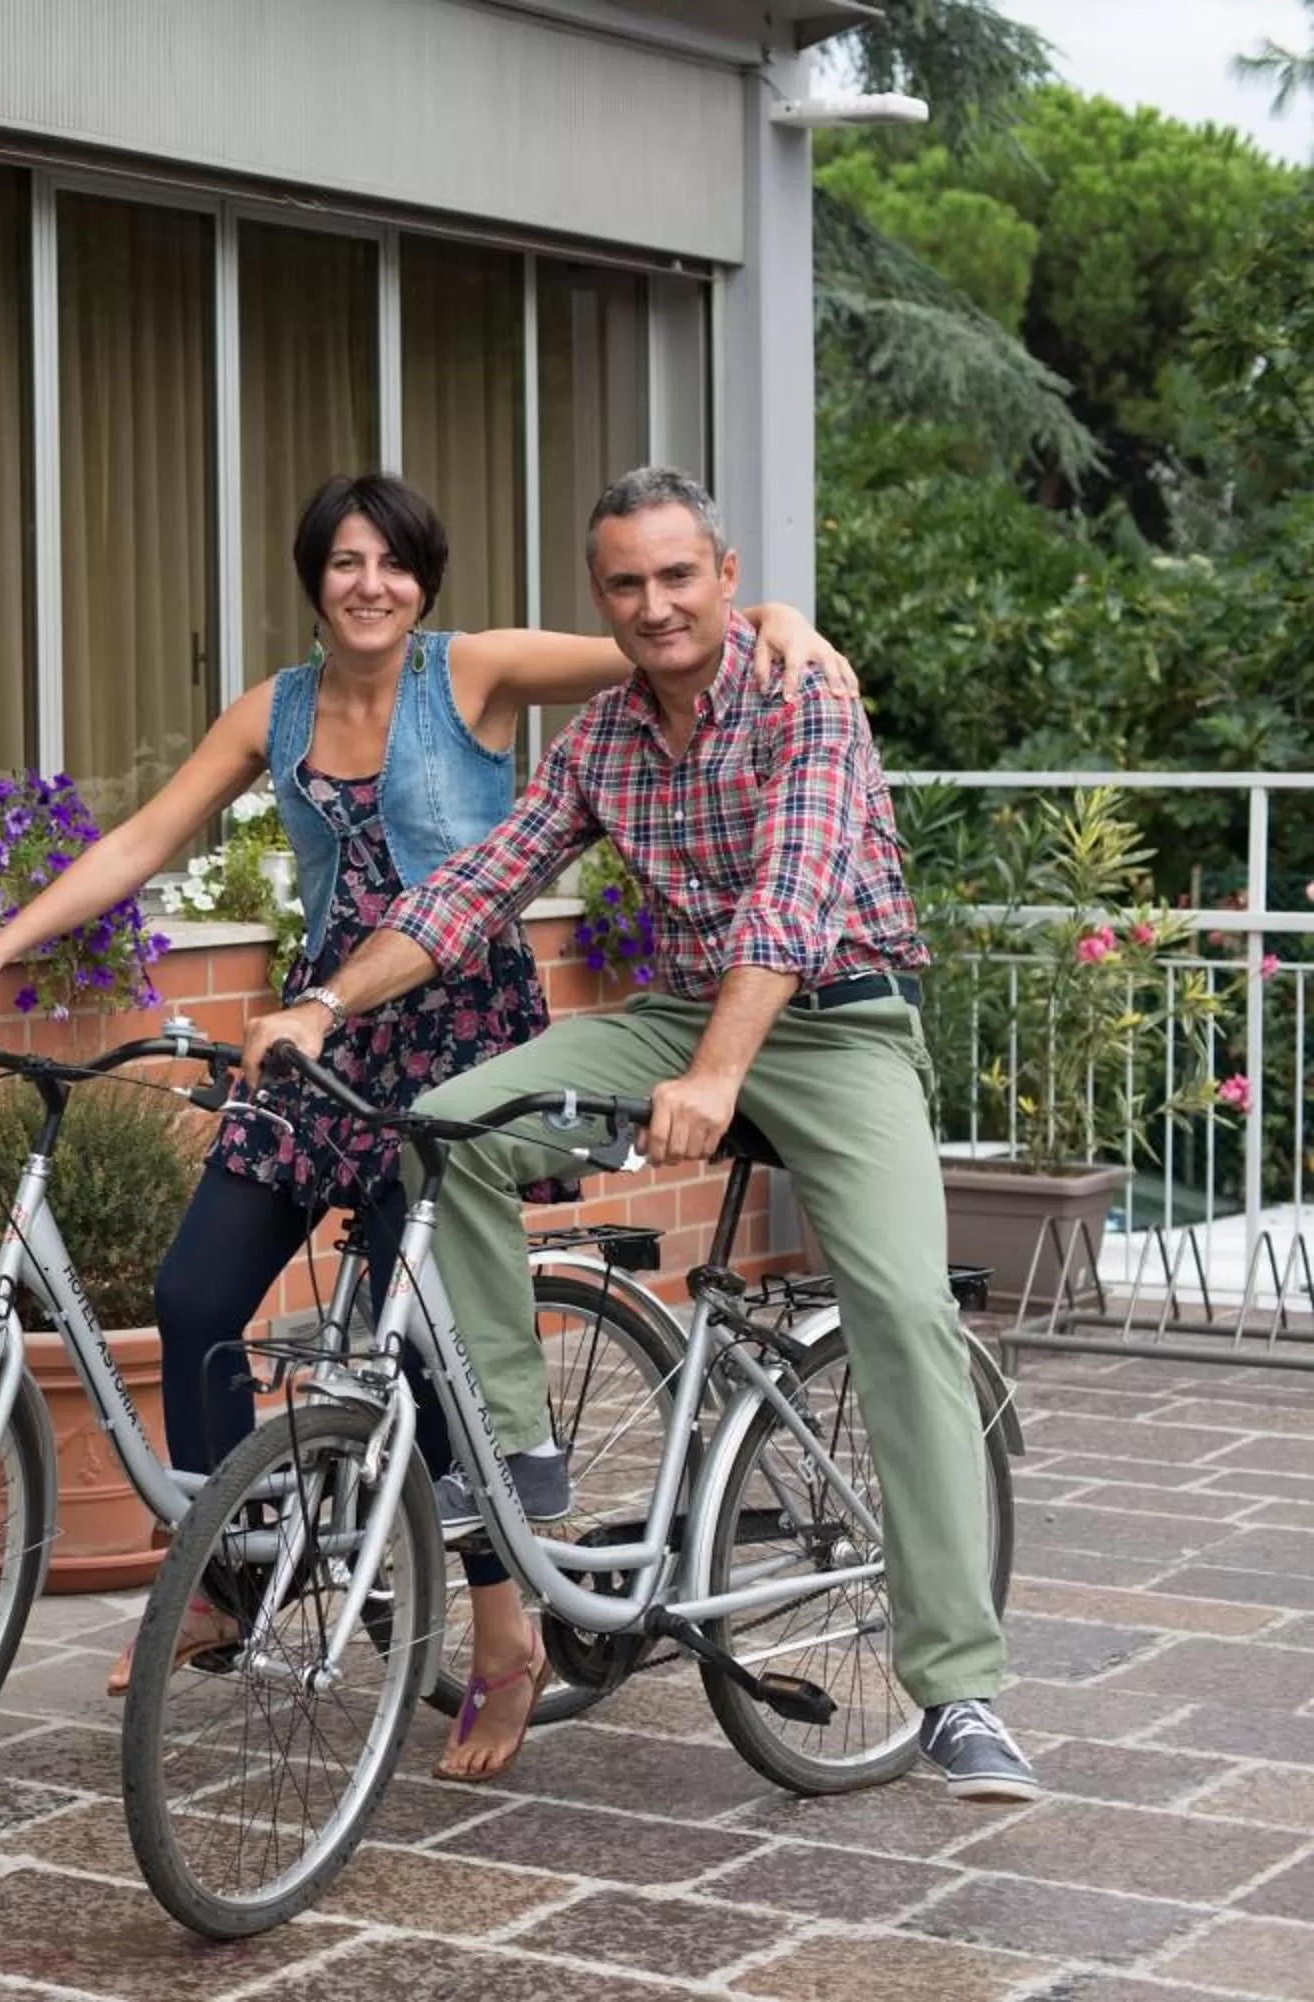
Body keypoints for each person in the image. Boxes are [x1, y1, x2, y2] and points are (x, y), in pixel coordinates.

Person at [0, 471, 857, 1767]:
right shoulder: (275, 710)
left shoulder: (476, 672)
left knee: (431, 1353)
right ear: (314, 578)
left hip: (458, 1033)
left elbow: (663, 644)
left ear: (424, 578)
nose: (371, 583)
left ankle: (506, 1637)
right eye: (346, 561)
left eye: (394, 562)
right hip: (325, 1025)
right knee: (195, 1297)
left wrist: (782, 618)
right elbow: (139, 841)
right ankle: (235, 1572)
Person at [247, 466, 1033, 1803]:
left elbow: (791, 902)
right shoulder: (606, 737)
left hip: (837, 1018)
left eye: (679, 576)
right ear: (601, 597)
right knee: (444, 1123)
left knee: (900, 1304)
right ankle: (512, 1456)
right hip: (677, 1012)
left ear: (726, 577)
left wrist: (723, 1073)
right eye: (628, 583)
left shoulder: (804, 702)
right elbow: (471, 891)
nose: (656, 604)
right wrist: (321, 1002)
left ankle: (956, 1685)